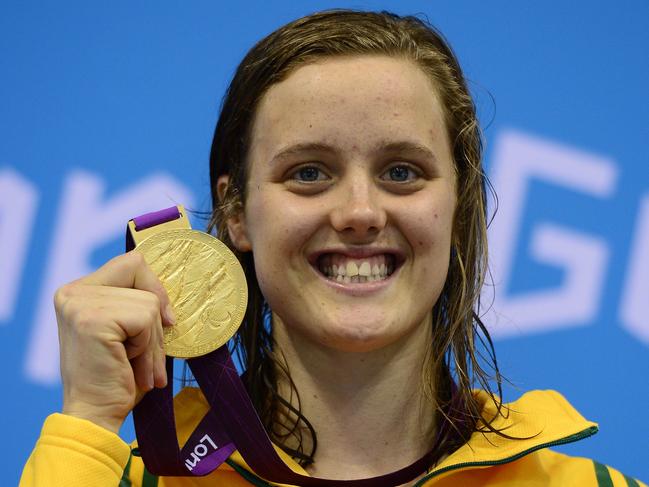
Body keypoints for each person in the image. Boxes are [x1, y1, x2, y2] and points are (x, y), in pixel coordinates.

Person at [20, 10, 645, 487]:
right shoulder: (129, 477)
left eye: (402, 171)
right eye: (309, 173)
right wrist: (86, 427)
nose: (359, 213)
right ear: (236, 212)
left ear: (459, 210)